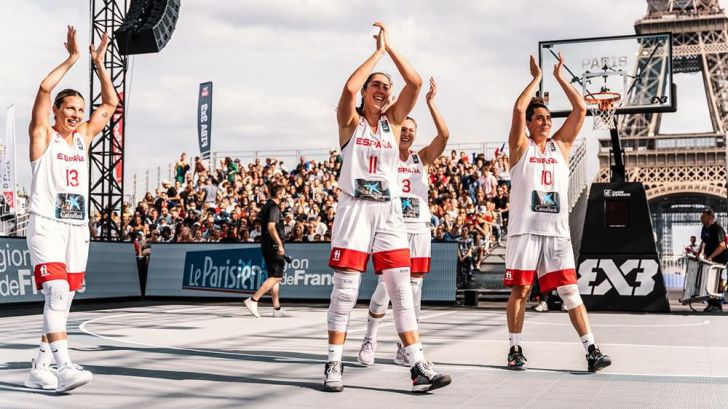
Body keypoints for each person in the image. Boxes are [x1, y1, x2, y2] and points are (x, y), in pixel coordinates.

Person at [324, 22, 450, 393]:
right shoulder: (350, 122)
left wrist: (391, 49)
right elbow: (348, 88)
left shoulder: (394, 125)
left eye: (386, 86)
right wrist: (376, 54)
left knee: (402, 288)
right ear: (365, 93)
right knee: (346, 290)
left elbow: (413, 82)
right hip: (355, 208)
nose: (383, 90)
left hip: (389, 211)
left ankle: (417, 364)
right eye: (376, 85)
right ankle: (333, 363)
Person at [503, 54, 611, 372]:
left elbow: (581, 110)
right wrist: (537, 80)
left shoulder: (560, 146)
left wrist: (560, 77)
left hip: (556, 233)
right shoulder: (520, 147)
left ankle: (591, 349)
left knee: (569, 291)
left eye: (548, 118)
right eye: (539, 118)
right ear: (529, 124)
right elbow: (518, 109)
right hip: (525, 230)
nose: (546, 122)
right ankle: (514, 348)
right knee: (521, 290)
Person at [25, 26, 118, 392]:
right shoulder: (43, 136)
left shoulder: (82, 139)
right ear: (57, 112)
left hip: (76, 229)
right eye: (71, 109)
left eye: (81, 109)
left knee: (63, 303)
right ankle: (64, 367)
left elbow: (109, 104)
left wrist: (99, 65)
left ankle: (40, 365)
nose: (77, 114)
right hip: (46, 223)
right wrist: (74, 58)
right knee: (57, 292)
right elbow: (45, 88)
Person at [357, 77, 449, 367]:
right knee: (386, 288)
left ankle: (403, 348)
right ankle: (370, 338)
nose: (407, 134)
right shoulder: (385, 156)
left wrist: (431, 104)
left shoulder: (421, 159)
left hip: (419, 230)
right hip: (394, 227)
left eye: (411, 130)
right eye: (403, 129)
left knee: (415, 292)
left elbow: (444, 137)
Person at [244, 184, 289, 318]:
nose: (284, 196)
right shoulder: (274, 207)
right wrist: (279, 244)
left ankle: (276, 308)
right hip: (273, 246)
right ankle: (253, 300)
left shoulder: (267, 206)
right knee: (277, 276)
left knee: (274, 277)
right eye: (283, 193)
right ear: (279, 194)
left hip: (268, 245)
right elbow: (271, 227)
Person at [698, 209, 727, 312]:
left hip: (718, 260)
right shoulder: (705, 228)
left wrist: (711, 257)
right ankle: (711, 304)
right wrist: (699, 253)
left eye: (703, 216)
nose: (701, 218)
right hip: (710, 260)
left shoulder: (717, 229)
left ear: (710, 218)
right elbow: (703, 241)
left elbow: (722, 246)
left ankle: (717, 305)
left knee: (715, 283)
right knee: (709, 282)